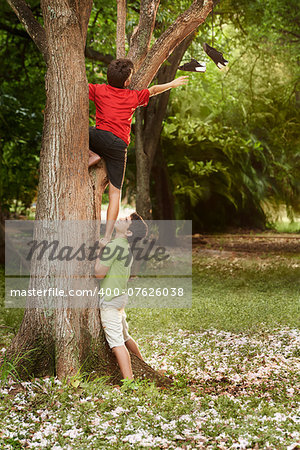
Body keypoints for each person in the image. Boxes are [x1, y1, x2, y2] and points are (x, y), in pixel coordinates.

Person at [89, 58, 188, 243]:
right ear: (127, 82)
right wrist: (172, 84)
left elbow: (80, 87)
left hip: (98, 138)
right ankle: (107, 237)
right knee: (115, 193)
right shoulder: (132, 96)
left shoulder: (98, 90)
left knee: (82, 130)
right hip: (119, 146)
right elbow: (153, 90)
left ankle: (92, 154)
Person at [95, 212, 148, 382]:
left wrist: (100, 250)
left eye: (125, 220)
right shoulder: (125, 247)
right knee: (125, 337)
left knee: (117, 343)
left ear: (129, 232)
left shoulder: (114, 246)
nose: (121, 218)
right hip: (120, 298)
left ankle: (129, 383)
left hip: (110, 301)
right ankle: (145, 366)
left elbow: (98, 274)